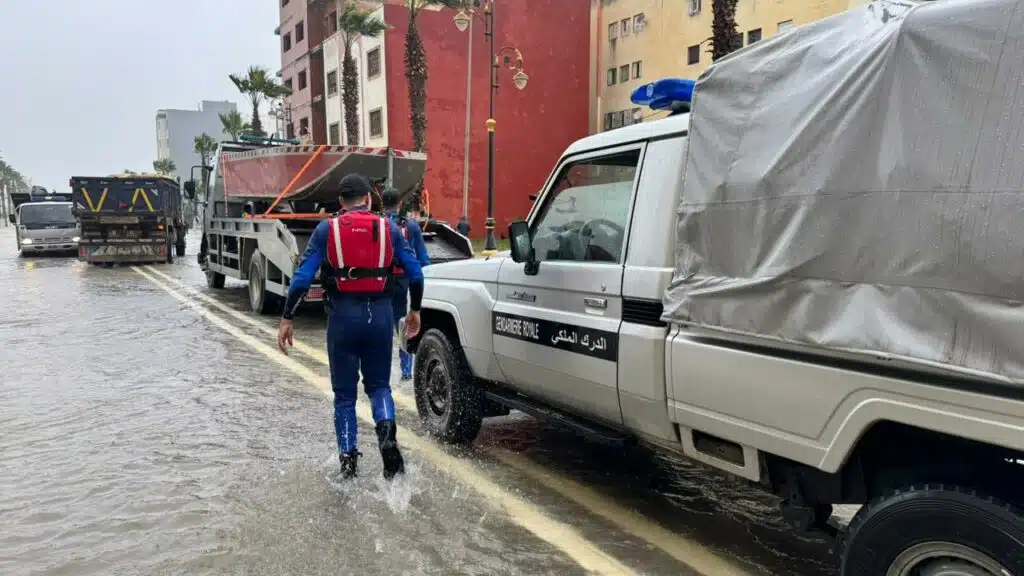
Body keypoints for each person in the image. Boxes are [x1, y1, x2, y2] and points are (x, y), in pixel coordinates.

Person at [277, 173, 424, 481]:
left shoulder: (325, 230)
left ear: (341, 202)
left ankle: (348, 463)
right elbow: (416, 274)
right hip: (380, 318)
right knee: (379, 387)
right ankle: (386, 437)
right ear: (369, 199)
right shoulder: (390, 230)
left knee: (345, 395)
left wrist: (288, 317)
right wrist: (415, 311)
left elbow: (302, 278)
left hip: (343, 319)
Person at [381, 187, 431, 380]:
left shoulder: (378, 224)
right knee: (404, 325)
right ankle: (406, 369)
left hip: (381, 280)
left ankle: (381, 368)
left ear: (382, 204)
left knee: (383, 323)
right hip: (403, 282)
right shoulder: (410, 226)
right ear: (400, 204)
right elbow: (422, 257)